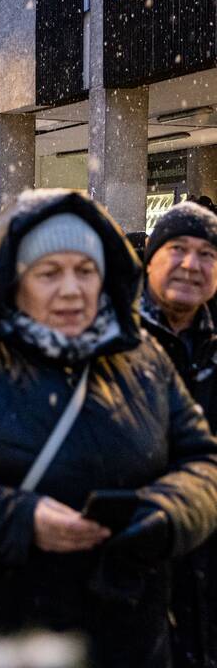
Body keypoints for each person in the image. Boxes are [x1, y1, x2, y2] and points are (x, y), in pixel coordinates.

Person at [0, 189, 217, 668]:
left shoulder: (142, 360)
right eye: (50, 273)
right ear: (17, 281)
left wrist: (164, 515)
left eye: (85, 271)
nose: (72, 289)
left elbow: (202, 464)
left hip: (128, 635)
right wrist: (20, 520)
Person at [139, 203, 217, 668]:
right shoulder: (107, 339)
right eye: (179, 250)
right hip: (130, 561)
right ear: (150, 256)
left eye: (207, 254)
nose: (192, 264)